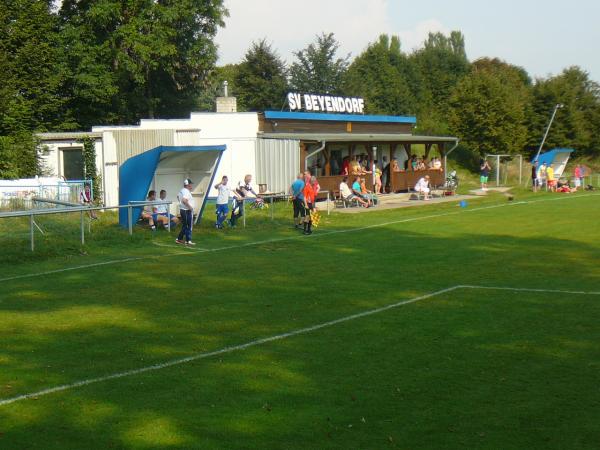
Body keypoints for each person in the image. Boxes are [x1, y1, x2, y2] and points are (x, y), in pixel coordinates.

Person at [176, 178, 195, 245]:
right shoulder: (186, 191)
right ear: (188, 185)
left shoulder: (182, 190)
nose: (191, 185)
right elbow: (184, 200)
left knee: (185, 226)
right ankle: (188, 240)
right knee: (188, 226)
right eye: (190, 184)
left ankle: (179, 239)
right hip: (186, 211)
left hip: (183, 210)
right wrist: (190, 207)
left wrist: (181, 204)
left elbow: (178, 196)